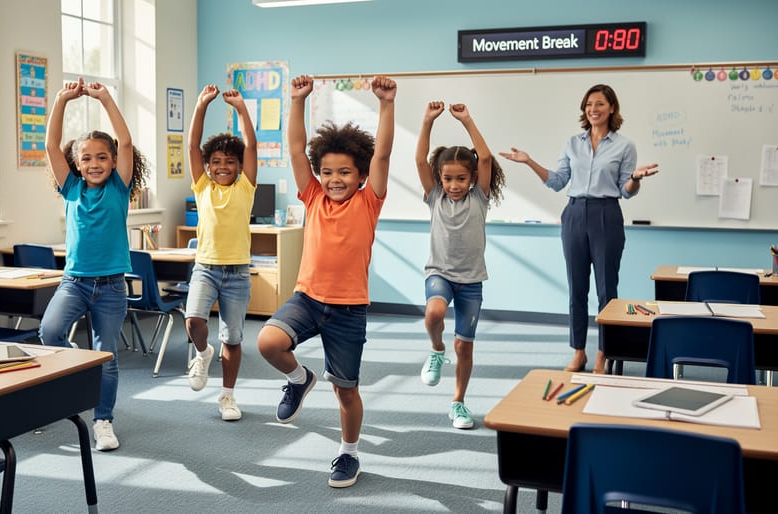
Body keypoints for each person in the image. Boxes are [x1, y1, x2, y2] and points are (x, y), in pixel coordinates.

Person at [257, 74, 396, 488]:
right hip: (307, 298)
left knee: (346, 391)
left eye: (346, 173)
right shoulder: (313, 196)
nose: (335, 179)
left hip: (349, 310)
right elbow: (297, 150)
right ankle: (299, 379)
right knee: (267, 342)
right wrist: (296, 100)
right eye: (328, 172)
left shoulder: (370, 201)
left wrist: (386, 105)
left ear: (361, 175)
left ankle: (348, 453)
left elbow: (384, 156)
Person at [499, 84, 658, 374]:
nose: (593, 109)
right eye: (588, 105)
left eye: (599, 104)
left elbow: (626, 190)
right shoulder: (573, 143)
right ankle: (579, 352)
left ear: (612, 108)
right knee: (576, 289)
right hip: (573, 214)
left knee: (606, 290)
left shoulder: (625, 146)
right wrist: (529, 162)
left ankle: (604, 353)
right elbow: (558, 181)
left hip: (606, 215)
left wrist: (636, 178)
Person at [40, 77, 149, 451]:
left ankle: (103, 420)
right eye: (86, 158)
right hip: (74, 282)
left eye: (103, 157)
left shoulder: (120, 188)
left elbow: (128, 140)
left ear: (114, 161)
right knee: (49, 333)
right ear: (76, 163)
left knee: (108, 355)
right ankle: (82, 367)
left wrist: (106, 99)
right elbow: (51, 144)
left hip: (111, 286)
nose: (95, 163)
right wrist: (60, 101)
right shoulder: (71, 188)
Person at [415, 101, 505, 429]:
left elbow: (485, 157)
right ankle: (436, 350)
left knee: (464, 346)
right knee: (434, 313)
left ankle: (458, 403)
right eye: (448, 179)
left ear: (472, 179)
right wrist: (427, 122)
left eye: (461, 179)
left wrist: (467, 120)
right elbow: (418, 159)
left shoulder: (479, 197)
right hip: (439, 273)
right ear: (440, 179)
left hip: (471, 282)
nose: (454, 185)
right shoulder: (435, 197)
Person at [184, 84, 258, 421]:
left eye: (230, 161)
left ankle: (227, 397)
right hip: (206, 268)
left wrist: (242, 109)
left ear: (240, 166)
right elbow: (192, 146)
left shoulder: (245, 186)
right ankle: (202, 353)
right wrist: (200, 106)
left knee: (232, 336)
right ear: (208, 166)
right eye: (216, 161)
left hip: (238, 272)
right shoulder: (202, 187)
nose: (222, 165)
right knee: (194, 320)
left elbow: (252, 145)